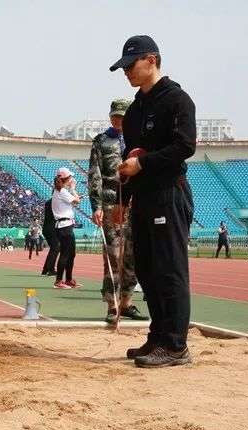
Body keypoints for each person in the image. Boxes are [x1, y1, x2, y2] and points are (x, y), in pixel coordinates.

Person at [111, 35, 196, 368]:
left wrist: (143, 165)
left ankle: (176, 345)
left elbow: (184, 147)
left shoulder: (177, 101)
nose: (127, 72)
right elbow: (130, 157)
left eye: (131, 65)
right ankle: (158, 336)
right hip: (143, 197)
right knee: (146, 270)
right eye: (124, 67)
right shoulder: (133, 111)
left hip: (168, 193)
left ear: (151, 59)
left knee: (169, 271)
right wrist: (124, 198)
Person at [88, 98, 147, 324]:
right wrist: (97, 206)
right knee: (113, 255)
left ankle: (127, 302)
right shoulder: (101, 142)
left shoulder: (137, 140)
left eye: (122, 116)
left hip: (135, 203)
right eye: (115, 115)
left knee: (133, 255)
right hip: (111, 203)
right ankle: (112, 306)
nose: (118, 120)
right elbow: (94, 175)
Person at [51, 167, 81, 289]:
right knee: (65, 253)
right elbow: (77, 200)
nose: (72, 179)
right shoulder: (62, 191)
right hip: (64, 226)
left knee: (71, 253)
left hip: (66, 225)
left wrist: (72, 195)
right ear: (66, 179)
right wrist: (73, 189)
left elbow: (73, 202)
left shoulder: (60, 191)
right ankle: (59, 281)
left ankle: (68, 279)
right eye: (70, 178)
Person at [40, 198, 58, 276]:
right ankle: (50, 269)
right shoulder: (56, 201)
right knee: (56, 247)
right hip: (52, 228)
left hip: (47, 228)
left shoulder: (49, 201)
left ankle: (46, 269)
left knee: (54, 248)